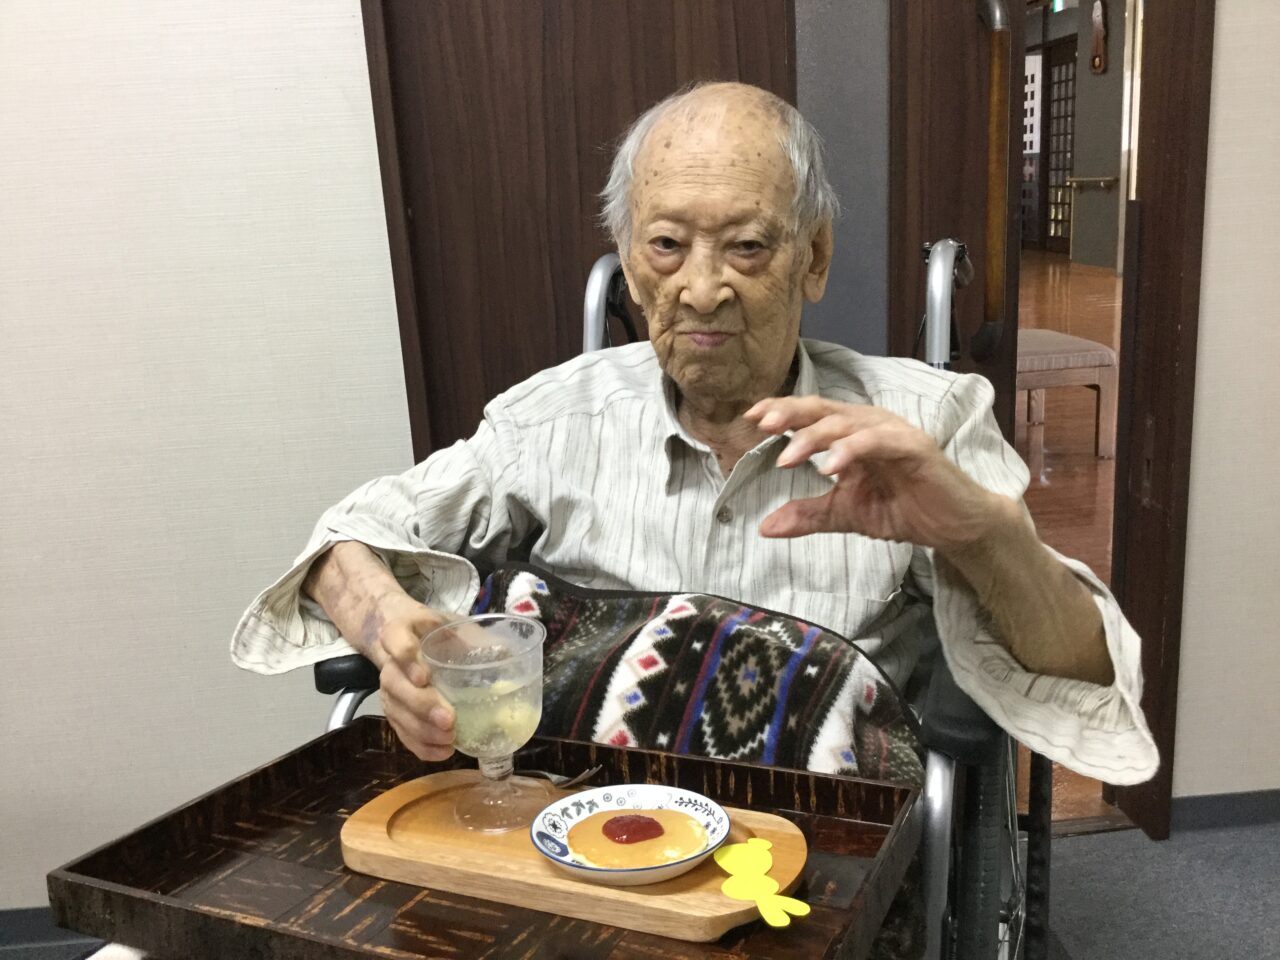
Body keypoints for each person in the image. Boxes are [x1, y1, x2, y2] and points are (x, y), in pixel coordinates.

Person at [233, 83, 1156, 785]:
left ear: (814, 257)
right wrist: (395, 634)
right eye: (667, 245)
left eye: (747, 246)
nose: (702, 289)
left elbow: (1082, 671)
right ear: (630, 261)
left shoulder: (925, 423)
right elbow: (345, 539)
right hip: (584, 830)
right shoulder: (550, 420)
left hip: (814, 850)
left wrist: (982, 534)